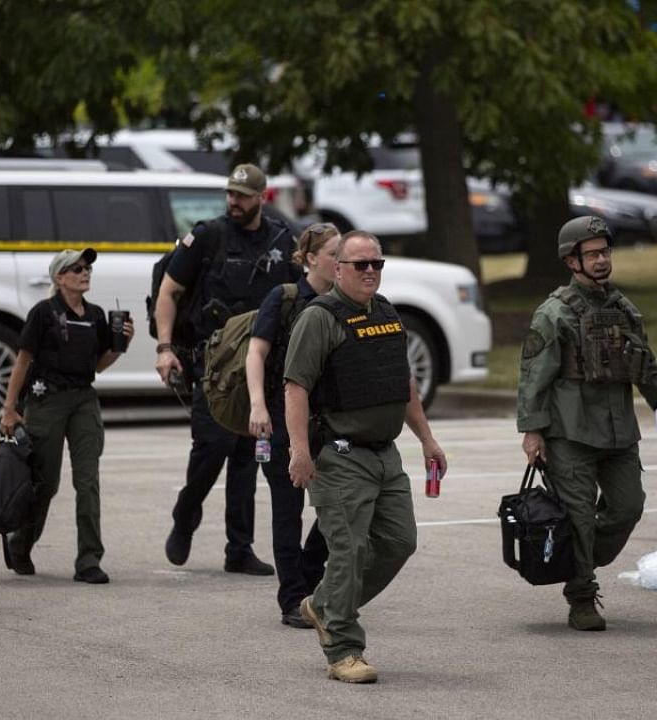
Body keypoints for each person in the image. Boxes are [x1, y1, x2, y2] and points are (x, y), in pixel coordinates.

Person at [285, 230, 447, 684]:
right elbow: (295, 387)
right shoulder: (319, 318)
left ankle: (324, 606)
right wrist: (299, 451)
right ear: (338, 269)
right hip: (338, 455)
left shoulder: (388, 315)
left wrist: (427, 440)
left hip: (385, 455)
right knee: (349, 549)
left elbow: (405, 384)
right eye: (361, 264)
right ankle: (343, 649)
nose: (371, 271)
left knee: (399, 542)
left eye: (377, 263)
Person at [517, 215, 657, 632]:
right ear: (571, 261)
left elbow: (643, 361)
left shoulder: (623, 309)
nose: (601, 260)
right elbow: (533, 375)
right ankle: (581, 598)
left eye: (604, 252)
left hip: (618, 433)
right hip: (571, 433)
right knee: (577, 517)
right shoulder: (553, 313)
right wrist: (533, 430)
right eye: (591, 254)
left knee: (628, 507)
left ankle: (573, 556)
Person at [154, 164, 303, 575]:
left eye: (242, 195)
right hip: (214, 364)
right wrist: (165, 347)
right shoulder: (207, 236)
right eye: (230, 194)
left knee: (246, 454)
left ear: (262, 197)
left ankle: (238, 548)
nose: (233, 202)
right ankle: (186, 514)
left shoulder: (280, 238)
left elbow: (299, 293)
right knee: (212, 447)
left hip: (262, 365)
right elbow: (169, 292)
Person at [0, 248, 133, 584]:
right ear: (60, 278)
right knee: (45, 482)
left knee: (87, 481)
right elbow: (23, 361)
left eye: (87, 267)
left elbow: (97, 366)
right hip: (47, 401)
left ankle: (89, 559)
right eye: (76, 268)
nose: (84, 272)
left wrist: (118, 346)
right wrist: (10, 408)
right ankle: (21, 545)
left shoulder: (96, 315)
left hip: (84, 399)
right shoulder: (43, 313)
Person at [245, 223, 338, 629]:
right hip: (282, 421)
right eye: (335, 253)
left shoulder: (343, 301)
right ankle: (292, 599)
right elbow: (256, 353)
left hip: (329, 423)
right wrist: (258, 406)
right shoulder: (283, 298)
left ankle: (307, 573)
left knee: (338, 505)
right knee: (288, 510)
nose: (342, 262)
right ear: (311, 257)